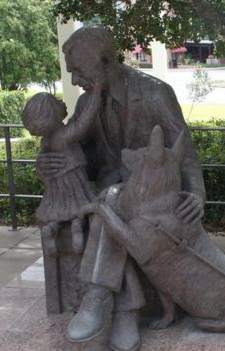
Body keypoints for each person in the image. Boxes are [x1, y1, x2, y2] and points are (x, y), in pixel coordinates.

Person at [36, 27, 206, 351]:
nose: (74, 82)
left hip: (153, 196)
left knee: (108, 206)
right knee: (109, 203)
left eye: (78, 72)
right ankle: (126, 312)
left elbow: (186, 153)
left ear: (104, 61)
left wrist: (197, 195)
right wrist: (47, 166)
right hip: (109, 190)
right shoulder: (88, 102)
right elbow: (75, 152)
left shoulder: (157, 94)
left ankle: (98, 295)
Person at [22, 82, 103, 254]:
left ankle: (51, 229)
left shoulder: (47, 140)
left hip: (56, 188)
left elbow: (43, 156)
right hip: (74, 182)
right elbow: (83, 124)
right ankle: (77, 231)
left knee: (57, 211)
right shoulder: (63, 136)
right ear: (52, 113)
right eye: (56, 101)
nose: (61, 102)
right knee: (78, 210)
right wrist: (96, 96)